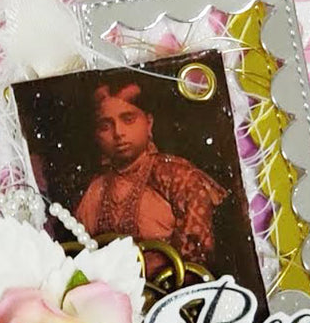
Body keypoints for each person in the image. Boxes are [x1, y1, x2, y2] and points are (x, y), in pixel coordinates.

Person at [73, 80, 228, 267]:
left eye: (128, 119)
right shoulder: (94, 189)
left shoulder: (178, 176)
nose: (118, 133)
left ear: (149, 123)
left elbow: (197, 255)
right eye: (105, 126)